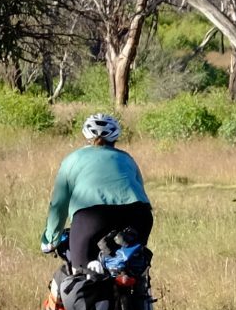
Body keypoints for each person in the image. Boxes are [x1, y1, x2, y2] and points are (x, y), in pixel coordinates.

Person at [42, 112, 154, 268]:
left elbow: (59, 205)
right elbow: (140, 191)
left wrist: (51, 239)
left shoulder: (72, 159)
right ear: (115, 138)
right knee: (132, 266)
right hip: (139, 215)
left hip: (91, 217)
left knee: (80, 270)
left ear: (86, 136)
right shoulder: (127, 158)